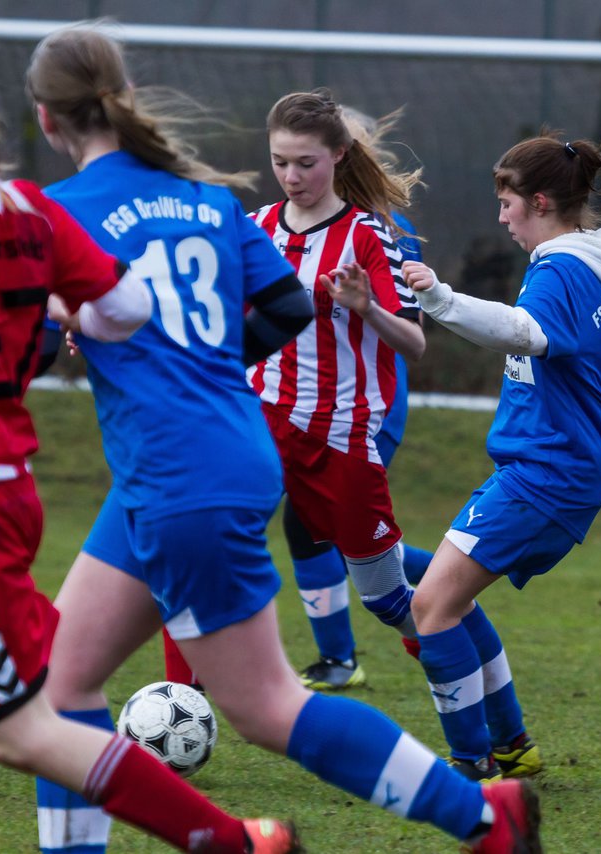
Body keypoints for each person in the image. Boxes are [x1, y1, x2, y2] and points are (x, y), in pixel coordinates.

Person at [25, 25, 540, 854]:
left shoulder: (59, 214)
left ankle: (484, 817)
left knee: (265, 705)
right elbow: (287, 311)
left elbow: (32, 351)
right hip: (215, 452)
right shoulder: (204, 199)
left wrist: (75, 330)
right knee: (62, 690)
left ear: (49, 121)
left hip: (181, 471)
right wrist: (187, 359)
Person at [0, 48, 296, 853]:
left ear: (48, 115)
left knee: (27, 728)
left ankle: (227, 841)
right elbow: (128, 305)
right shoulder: (19, 206)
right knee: (55, 696)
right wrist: (86, 321)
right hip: (2, 477)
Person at [400, 131, 601, 781]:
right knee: (447, 600)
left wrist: (441, 300)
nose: (501, 216)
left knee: (431, 607)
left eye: (507, 202)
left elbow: (527, 331)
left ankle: (471, 765)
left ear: (539, 202)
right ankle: (509, 747)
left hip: (548, 470)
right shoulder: (598, 263)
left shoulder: (561, 268)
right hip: (555, 466)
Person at [247, 96, 434, 690]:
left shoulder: (379, 232)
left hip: (355, 415)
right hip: (265, 412)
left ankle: (443, 598)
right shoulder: (257, 226)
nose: (293, 176)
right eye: (282, 162)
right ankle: (328, 659)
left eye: (307, 162)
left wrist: (366, 305)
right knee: (208, 533)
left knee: (345, 542)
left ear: (343, 155)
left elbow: (412, 336)